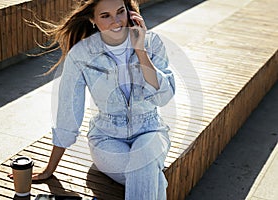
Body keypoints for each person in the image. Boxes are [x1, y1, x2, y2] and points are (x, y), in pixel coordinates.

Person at [10, 0, 175, 199]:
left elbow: (163, 96)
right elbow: (68, 111)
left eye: (120, 12)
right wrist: (49, 169)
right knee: (146, 170)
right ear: (92, 19)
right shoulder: (81, 54)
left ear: (130, 13)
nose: (116, 22)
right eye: (105, 16)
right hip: (106, 138)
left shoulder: (152, 43)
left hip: (150, 129)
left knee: (144, 159)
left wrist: (141, 51)